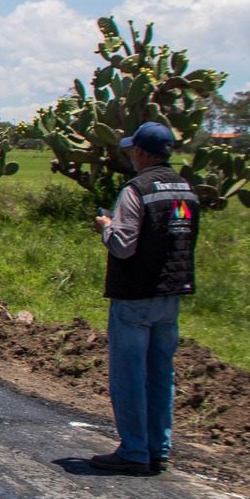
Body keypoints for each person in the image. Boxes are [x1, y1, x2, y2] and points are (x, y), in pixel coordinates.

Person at [89, 121, 200, 475]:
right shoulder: (186, 189)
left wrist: (106, 228)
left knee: (130, 374)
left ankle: (135, 449)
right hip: (171, 293)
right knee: (161, 373)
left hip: (136, 294)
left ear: (140, 152)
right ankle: (159, 447)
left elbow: (124, 246)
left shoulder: (136, 190)